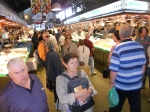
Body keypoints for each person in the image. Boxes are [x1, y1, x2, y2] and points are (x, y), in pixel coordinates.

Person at [109, 24, 146, 112]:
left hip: (121, 85)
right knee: (135, 108)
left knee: (116, 107)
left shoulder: (118, 48)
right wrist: (137, 78)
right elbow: (143, 66)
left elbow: (114, 70)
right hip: (136, 85)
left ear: (120, 35)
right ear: (130, 33)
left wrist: (111, 83)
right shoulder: (140, 47)